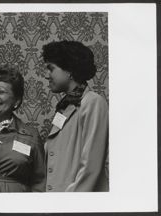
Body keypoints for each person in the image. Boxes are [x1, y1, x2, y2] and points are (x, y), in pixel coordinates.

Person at [42, 41, 109, 192]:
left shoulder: (93, 102)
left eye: (50, 68)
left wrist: (70, 203)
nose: (46, 75)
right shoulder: (65, 107)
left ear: (69, 70)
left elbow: (91, 167)